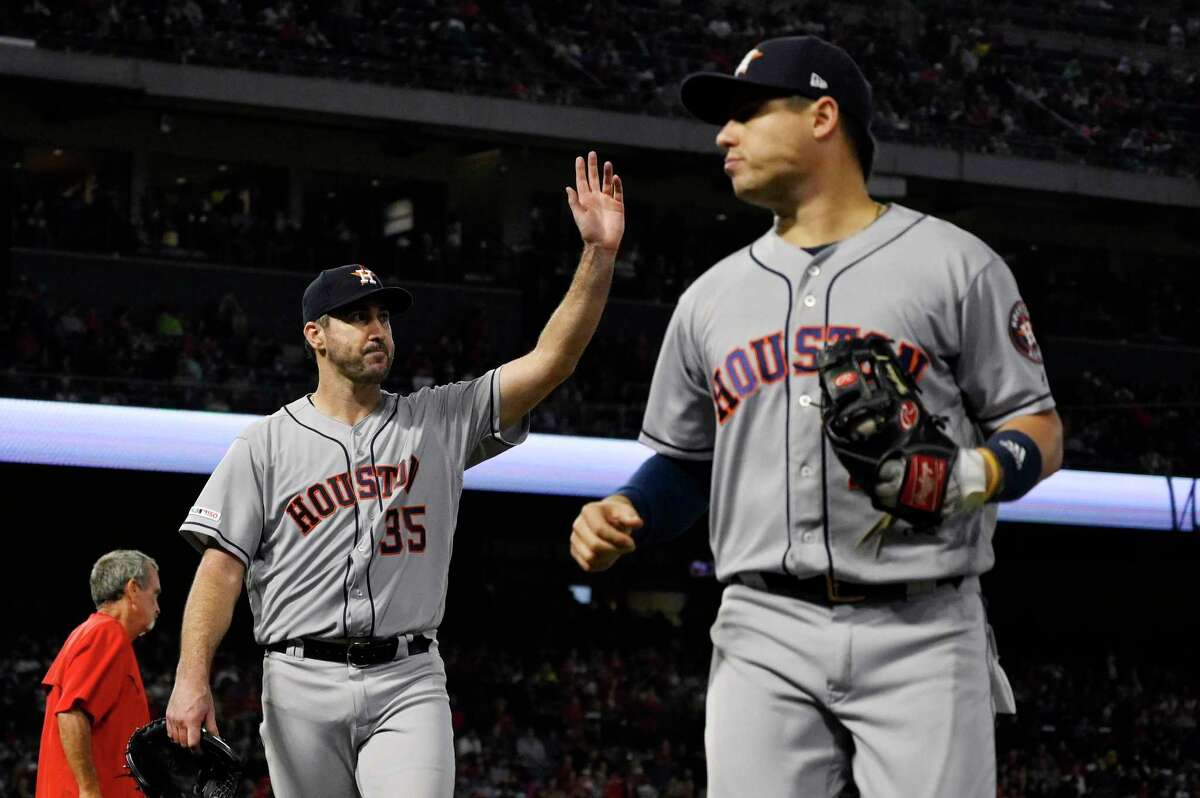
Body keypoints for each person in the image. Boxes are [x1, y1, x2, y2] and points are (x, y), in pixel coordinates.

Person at [568, 36, 1064, 797]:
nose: (723, 136)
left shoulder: (956, 264)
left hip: (923, 627)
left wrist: (976, 472)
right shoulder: (708, 298)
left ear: (823, 115)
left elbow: (1039, 428)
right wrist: (626, 507)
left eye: (746, 113)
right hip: (761, 628)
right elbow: (687, 465)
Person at [165, 151, 625, 797]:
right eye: (357, 316)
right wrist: (191, 679)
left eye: (383, 316)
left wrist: (598, 256)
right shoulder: (264, 444)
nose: (376, 328)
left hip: (408, 679)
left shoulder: (437, 420)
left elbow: (553, 360)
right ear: (316, 335)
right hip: (299, 680)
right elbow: (221, 567)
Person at [37, 550, 162, 798]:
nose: (158, 608)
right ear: (133, 589)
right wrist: (89, 790)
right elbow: (71, 713)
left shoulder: (90, 633)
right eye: (155, 594)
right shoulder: (106, 633)